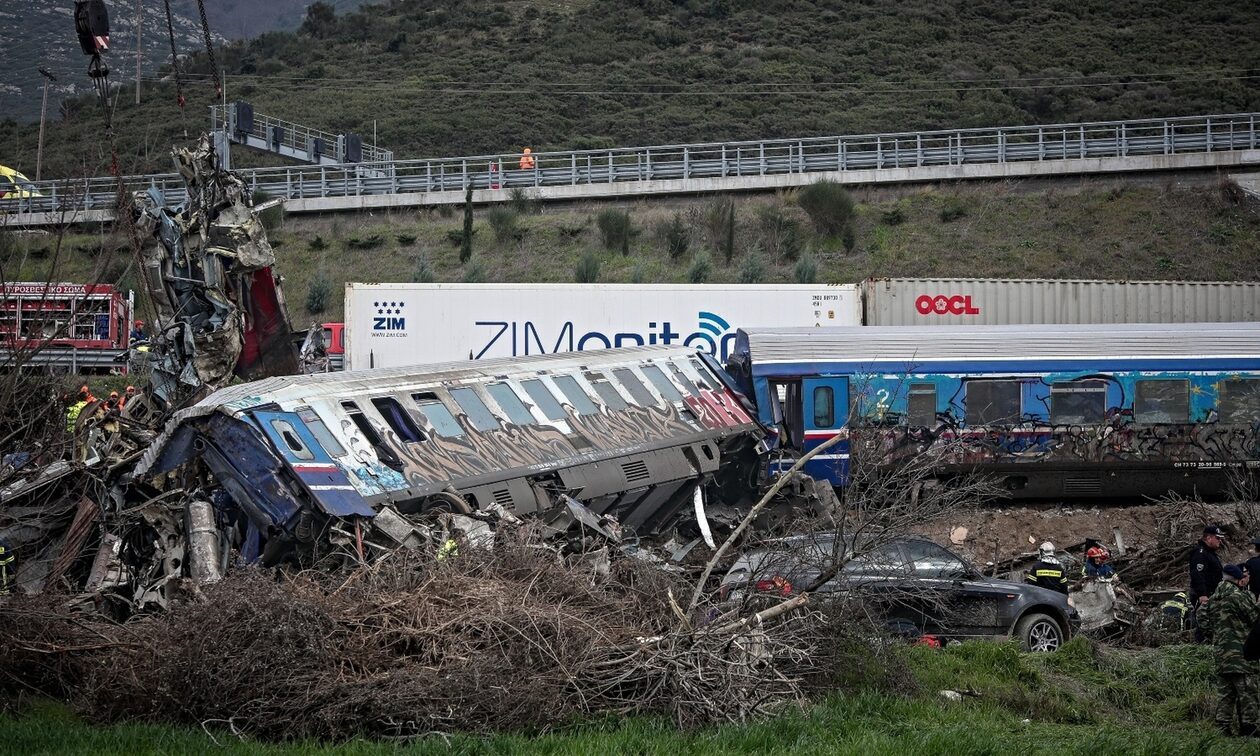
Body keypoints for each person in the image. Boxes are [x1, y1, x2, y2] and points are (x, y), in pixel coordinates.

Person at [1199, 564, 1259, 736]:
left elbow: (1201, 617)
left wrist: (1214, 636)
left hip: (1221, 654)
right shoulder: (1239, 597)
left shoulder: (1213, 600)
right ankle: (1249, 728)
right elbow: (1255, 619)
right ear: (1238, 580)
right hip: (1242, 652)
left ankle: (1223, 727)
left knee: (1226, 693)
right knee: (1248, 691)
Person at [1192, 525, 1228, 642]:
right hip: (1205, 594)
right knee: (1203, 622)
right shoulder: (1200, 553)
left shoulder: (1210, 553)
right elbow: (1198, 575)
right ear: (1208, 538)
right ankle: (1200, 646)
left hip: (1212, 593)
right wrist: (1202, 594)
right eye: (1218, 538)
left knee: (1212, 621)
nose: (1220, 541)